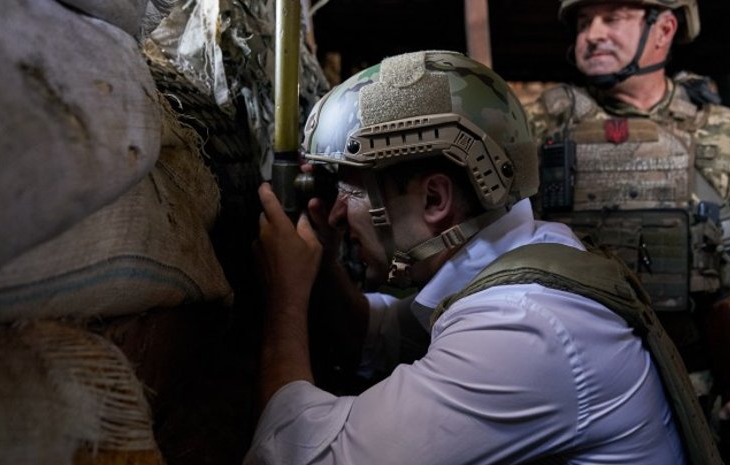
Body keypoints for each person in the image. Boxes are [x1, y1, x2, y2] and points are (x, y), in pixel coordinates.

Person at [245, 50, 704, 465]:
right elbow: (377, 337)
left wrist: (285, 297)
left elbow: (296, 458)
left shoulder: (522, 324)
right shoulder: (526, 253)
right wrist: (322, 265)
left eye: (352, 189)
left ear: (434, 200)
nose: (337, 213)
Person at [523, 1, 730, 463]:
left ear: (663, 29)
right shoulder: (538, 133)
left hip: (715, 392)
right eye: (583, 22)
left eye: (612, 18)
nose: (592, 35)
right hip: (580, 393)